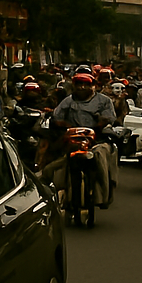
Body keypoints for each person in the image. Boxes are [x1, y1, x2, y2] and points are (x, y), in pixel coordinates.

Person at [45, 68, 117, 205]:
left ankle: (103, 194)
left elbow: (109, 118)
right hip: (73, 139)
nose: (82, 87)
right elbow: (57, 117)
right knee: (54, 158)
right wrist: (64, 125)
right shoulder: (68, 101)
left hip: (97, 140)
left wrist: (99, 124)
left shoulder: (104, 101)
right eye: (79, 84)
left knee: (101, 154)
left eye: (86, 84)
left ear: (93, 86)